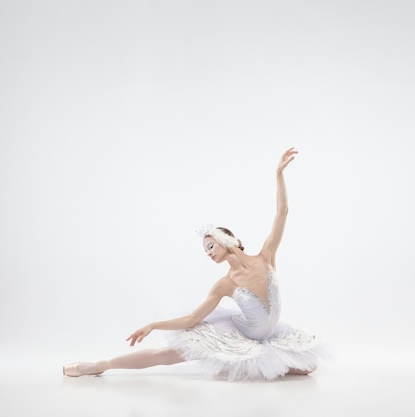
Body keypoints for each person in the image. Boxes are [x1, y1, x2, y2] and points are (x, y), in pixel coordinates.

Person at [63, 147, 326, 381]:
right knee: (168, 354)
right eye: (205, 250)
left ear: (227, 239)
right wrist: (153, 325)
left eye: (210, 246)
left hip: (268, 337)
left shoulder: (266, 256)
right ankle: (101, 365)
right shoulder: (225, 284)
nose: (208, 253)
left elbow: (282, 212)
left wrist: (279, 174)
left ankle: (236, 365)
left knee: (308, 366)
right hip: (237, 336)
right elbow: (192, 319)